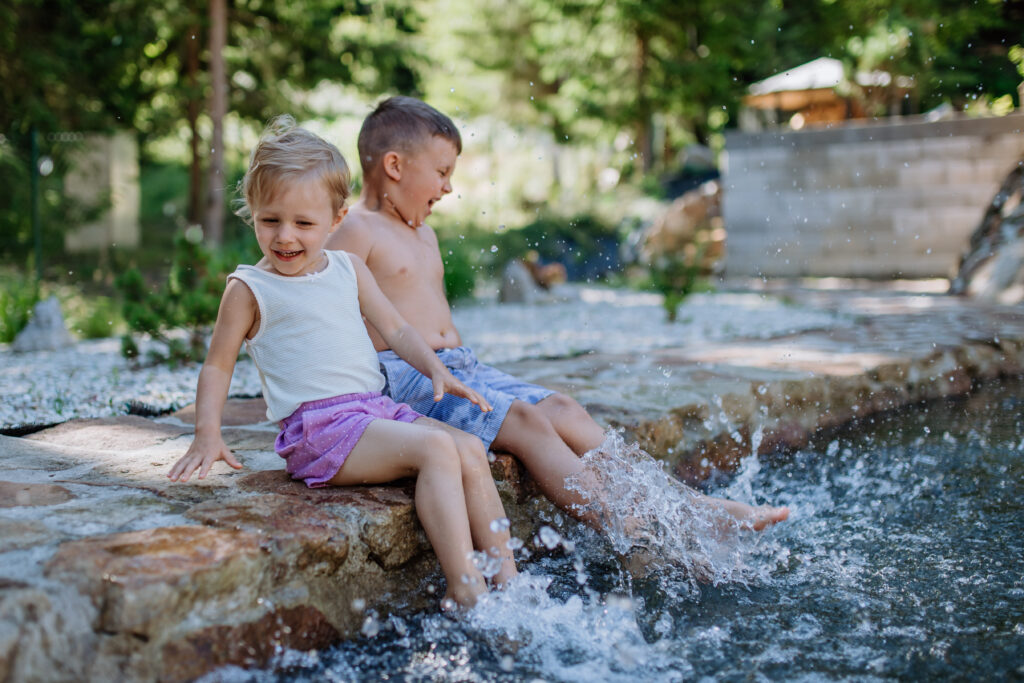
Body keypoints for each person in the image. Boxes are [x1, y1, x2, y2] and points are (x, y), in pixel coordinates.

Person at [326, 96, 789, 540]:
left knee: (564, 409)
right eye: (442, 172)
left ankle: (687, 506)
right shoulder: (357, 229)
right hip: (408, 377)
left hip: (460, 368)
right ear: (394, 166)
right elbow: (320, 311)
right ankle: (624, 526)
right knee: (526, 422)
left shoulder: (421, 230)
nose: (448, 187)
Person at [167, 115, 517, 610]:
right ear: (253, 214)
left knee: (466, 447)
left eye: (304, 224)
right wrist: (208, 433)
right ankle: (466, 590)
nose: (285, 237)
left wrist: (436, 369)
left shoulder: (347, 268)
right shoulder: (250, 289)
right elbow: (216, 366)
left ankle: (509, 581)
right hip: (319, 431)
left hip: (373, 413)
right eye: (271, 220)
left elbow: (396, 330)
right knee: (438, 449)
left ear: (336, 221)